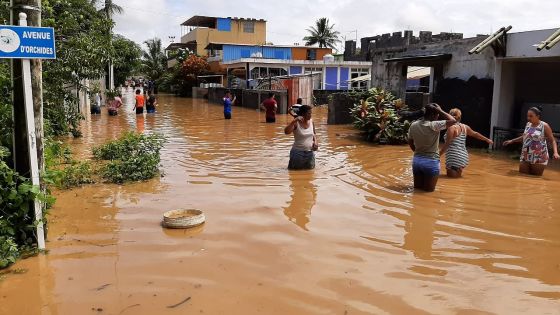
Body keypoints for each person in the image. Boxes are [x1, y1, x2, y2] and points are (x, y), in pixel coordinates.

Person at [408, 103, 456, 192]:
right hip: (431, 162)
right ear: (433, 114)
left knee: (417, 190)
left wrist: (417, 152)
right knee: (428, 194)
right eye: (437, 114)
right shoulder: (434, 125)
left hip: (417, 161)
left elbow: (410, 142)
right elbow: (453, 121)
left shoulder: (413, 125)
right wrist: (440, 110)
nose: (438, 116)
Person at [503, 106, 559, 176]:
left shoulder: (544, 126)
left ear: (538, 116)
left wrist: (555, 153)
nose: (528, 118)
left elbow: (552, 140)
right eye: (527, 116)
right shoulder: (528, 124)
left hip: (539, 158)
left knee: (535, 180)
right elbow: (525, 136)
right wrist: (512, 141)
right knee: (521, 177)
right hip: (525, 156)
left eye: (531, 116)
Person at [439, 108, 494, 178]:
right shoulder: (465, 127)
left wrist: (438, 155)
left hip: (454, 157)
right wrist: (487, 139)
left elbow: (447, 144)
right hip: (463, 157)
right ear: (460, 117)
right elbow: (475, 134)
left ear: (450, 116)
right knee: (456, 181)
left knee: (450, 180)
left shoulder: (452, 128)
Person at [284, 105, 318, 170]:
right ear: (303, 114)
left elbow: (314, 133)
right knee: (295, 173)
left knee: (309, 175)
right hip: (297, 153)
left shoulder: (311, 121)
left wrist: (316, 142)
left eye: (311, 113)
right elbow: (286, 132)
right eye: (309, 113)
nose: (310, 115)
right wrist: (293, 121)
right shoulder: (296, 123)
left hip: (310, 153)